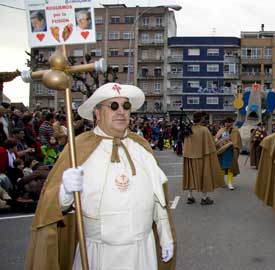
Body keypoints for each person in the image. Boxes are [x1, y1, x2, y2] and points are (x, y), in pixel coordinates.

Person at [25, 83, 176, 270]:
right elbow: (54, 208)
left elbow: (157, 198)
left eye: (126, 106)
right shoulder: (79, 147)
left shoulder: (141, 146)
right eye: (113, 106)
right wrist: (65, 191)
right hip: (99, 253)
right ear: (97, 113)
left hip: (142, 250)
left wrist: (166, 236)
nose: (121, 112)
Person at [182, 111, 223, 205]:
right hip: (202, 157)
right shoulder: (204, 130)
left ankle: (190, 197)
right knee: (205, 176)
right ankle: (204, 198)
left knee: (190, 176)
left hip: (189, 157)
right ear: (201, 119)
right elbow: (211, 144)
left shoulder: (188, 129)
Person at [215, 117, 242, 190]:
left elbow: (236, 142)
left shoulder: (235, 131)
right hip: (222, 152)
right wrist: (219, 141)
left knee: (231, 167)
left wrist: (229, 143)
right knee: (222, 167)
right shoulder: (221, 130)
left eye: (228, 122)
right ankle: (222, 182)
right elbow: (216, 139)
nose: (226, 123)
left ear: (231, 123)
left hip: (230, 151)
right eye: (226, 122)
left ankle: (230, 183)